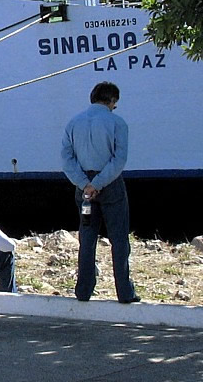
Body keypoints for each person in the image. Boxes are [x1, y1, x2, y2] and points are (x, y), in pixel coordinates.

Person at [61, 81, 139, 302]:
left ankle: (83, 290)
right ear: (112, 100)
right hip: (110, 185)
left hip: (82, 188)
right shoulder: (117, 123)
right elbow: (119, 159)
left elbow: (66, 159)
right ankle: (125, 291)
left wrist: (85, 184)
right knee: (119, 239)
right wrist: (99, 183)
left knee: (87, 238)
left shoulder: (73, 123)